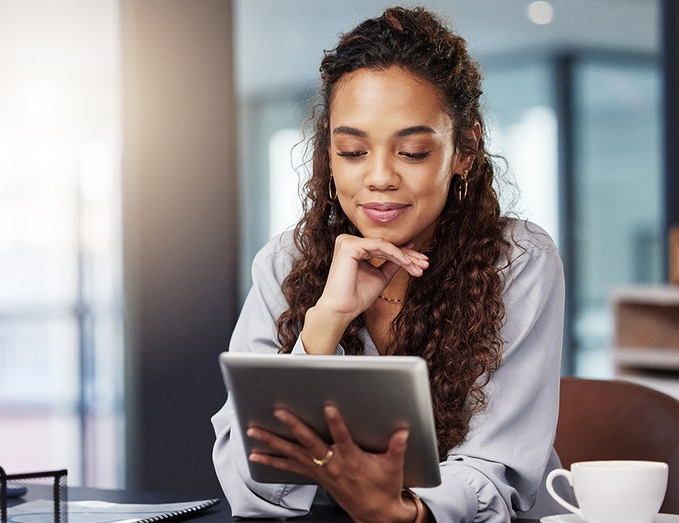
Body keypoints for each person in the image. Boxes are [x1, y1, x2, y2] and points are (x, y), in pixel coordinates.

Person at [212, 6, 566, 523]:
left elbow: (499, 469)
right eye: (353, 151)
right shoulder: (284, 263)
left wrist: (406, 512)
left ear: (464, 150)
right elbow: (250, 487)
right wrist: (324, 324)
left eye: (414, 152)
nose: (379, 177)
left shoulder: (516, 261)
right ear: (328, 155)